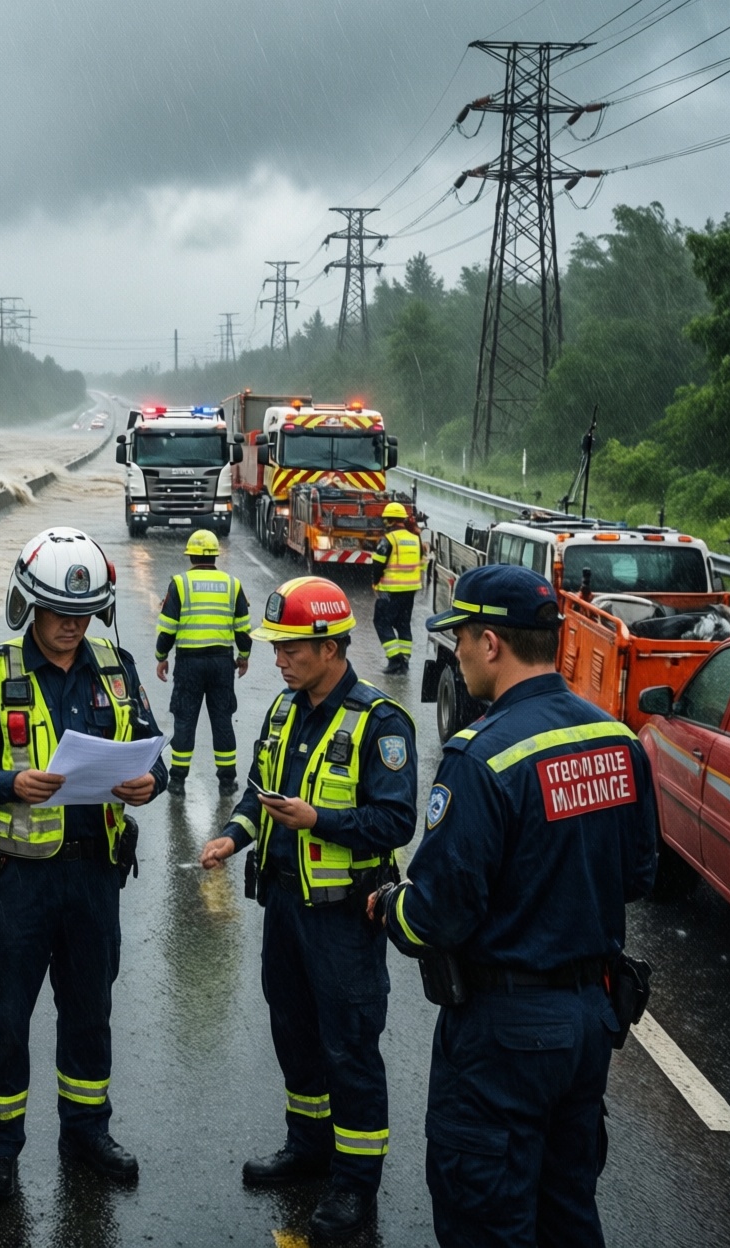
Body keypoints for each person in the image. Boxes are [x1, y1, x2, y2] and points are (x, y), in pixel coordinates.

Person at [370, 564, 657, 1248]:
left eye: (461, 639)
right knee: (567, 1211)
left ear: (492, 643)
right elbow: (637, 876)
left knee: (486, 1218)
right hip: (590, 1021)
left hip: (504, 1034)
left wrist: (390, 906)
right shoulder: (616, 739)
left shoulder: (481, 756)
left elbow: (438, 915)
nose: (457, 654)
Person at [0, 526, 168, 1204]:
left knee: (90, 1010)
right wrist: (10, 783)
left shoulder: (118, 668)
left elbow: (150, 750)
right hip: (18, 880)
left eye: (84, 613)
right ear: (28, 605)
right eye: (58, 613)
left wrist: (150, 782)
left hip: (95, 875)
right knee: (5, 1016)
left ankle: (87, 1132)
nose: (72, 625)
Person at [199, 576, 417, 1243]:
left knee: (349, 1046)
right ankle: (308, 1146)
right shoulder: (283, 711)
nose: (279, 659)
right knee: (293, 1032)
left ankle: (355, 1181)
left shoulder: (381, 723)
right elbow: (259, 793)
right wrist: (232, 836)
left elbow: (395, 821)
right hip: (285, 907)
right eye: (277, 647)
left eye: (291, 648)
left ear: (330, 648)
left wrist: (319, 819)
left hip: (344, 917)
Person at [154, 528, 251, 795]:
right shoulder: (232, 584)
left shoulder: (180, 583)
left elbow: (168, 628)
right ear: (215, 556)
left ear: (191, 556)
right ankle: (227, 781)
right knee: (222, 719)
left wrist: (161, 657)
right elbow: (243, 628)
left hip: (189, 663)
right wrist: (243, 656)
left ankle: (177, 780)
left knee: (185, 719)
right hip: (222, 663)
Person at [370, 501, 423, 674]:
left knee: (381, 622)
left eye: (386, 519)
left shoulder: (388, 539)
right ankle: (404, 662)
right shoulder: (415, 539)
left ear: (390, 520)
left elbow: (378, 564)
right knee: (403, 624)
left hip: (391, 590)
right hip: (410, 590)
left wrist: (375, 583)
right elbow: (420, 561)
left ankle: (394, 660)